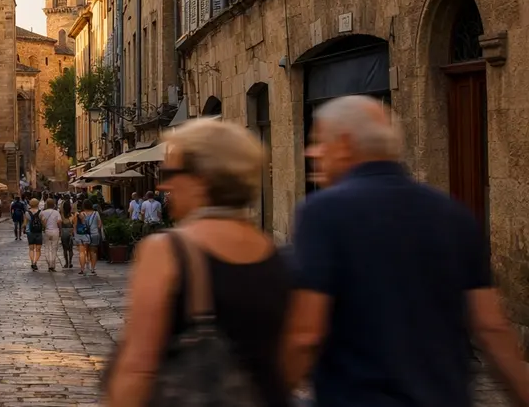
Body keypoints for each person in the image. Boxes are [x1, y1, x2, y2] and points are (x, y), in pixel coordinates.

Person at [285, 96, 529, 407]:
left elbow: (306, 334)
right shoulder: (453, 213)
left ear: (345, 144)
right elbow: (491, 326)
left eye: (318, 141)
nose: (311, 152)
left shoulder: (323, 212)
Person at [104, 118, 289, 407]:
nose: (164, 185)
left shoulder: (167, 250)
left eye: (172, 172)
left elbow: (137, 367)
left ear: (202, 180)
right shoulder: (273, 251)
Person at [75, 199, 103, 276]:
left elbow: (77, 225)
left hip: (83, 235)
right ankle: (93, 269)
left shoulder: (81, 214)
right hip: (94, 234)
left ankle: (82, 269)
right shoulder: (96, 213)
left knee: (82, 252)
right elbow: (100, 225)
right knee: (93, 252)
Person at [39, 198, 63, 272]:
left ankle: (49, 264)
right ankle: (53, 264)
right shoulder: (56, 212)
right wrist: (61, 230)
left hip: (47, 231)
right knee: (54, 248)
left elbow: (42, 221)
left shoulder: (42, 212)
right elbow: (59, 222)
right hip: (55, 231)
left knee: (47, 248)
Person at [25, 198, 44, 271]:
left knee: (31, 249)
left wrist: (24, 229)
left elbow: (25, 223)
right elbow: (43, 222)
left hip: (30, 232)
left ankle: (32, 262)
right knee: (38, 249)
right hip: (38, 231)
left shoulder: (27, 213)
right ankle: (35, 262)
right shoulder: (41, 212)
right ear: (37, 204)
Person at [59, 200, 75, 269]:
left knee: (65, 249)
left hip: (64, 231)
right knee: (71, 249)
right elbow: (74, 224)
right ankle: (70, 262)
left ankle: (66, 263)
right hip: (70, 231)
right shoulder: (72, 215)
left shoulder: (61, 215)